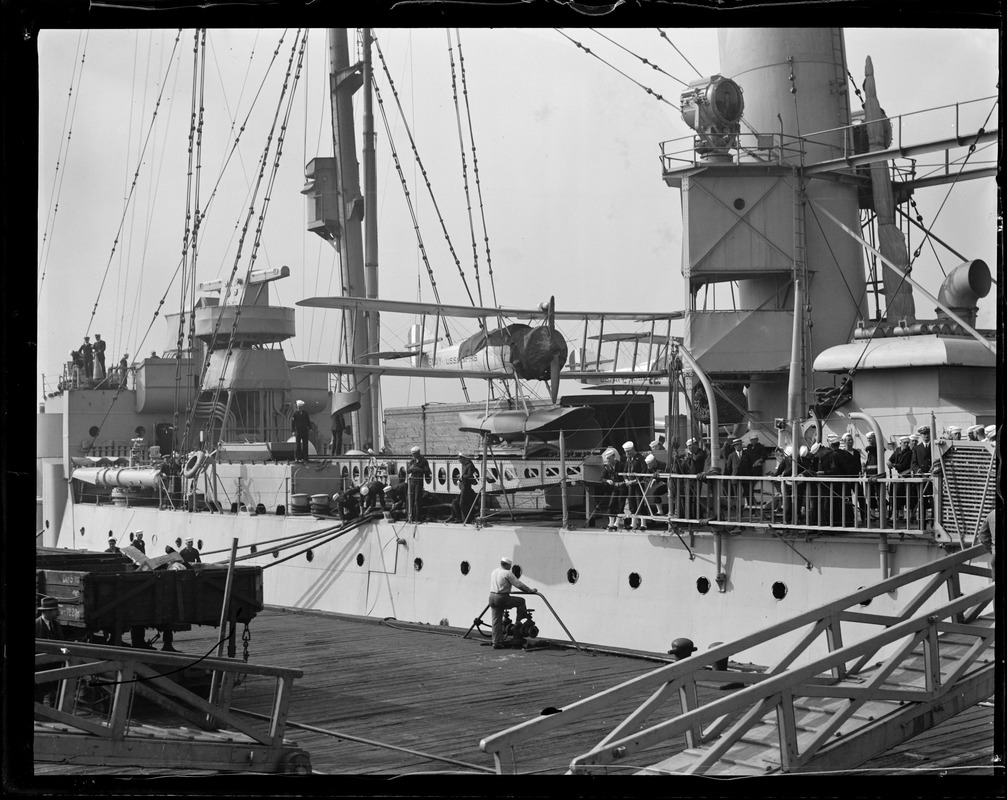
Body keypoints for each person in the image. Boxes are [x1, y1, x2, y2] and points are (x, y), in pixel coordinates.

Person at [488, 556, 537, 649]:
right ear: (508, 565)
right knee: (521, 601)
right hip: (502, 598)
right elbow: (519, 585)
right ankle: (519, 623)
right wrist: (529, 590)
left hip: (491, 597)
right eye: (510, 565)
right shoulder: (507, 573)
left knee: (496, 621)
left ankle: (496, 642)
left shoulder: (494, 571)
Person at [35, 596, 65, 707]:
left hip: (54, 665)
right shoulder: (36, 625)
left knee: (55, 693)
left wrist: (67, 652)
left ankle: (54, 715)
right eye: (55, 610)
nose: (57, 612)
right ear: (47, 611)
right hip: (39, 667)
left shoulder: (56, 625)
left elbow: (62, 644)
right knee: (38, 695)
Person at [620, 441, 647, 530]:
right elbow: (624, 471)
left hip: (638, 484)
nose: (626, 454)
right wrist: (626, 479)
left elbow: (644, 471)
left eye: (628, 452)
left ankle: (643, 524)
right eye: (626, 452)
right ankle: (633, 524)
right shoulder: (628, 459)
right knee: (632, 503)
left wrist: (636, 480)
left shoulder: (640, 458)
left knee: (640, 502)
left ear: (632, 450)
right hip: (630, 484)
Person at [450, 453, 478, 523]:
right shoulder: (465, 465)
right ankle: (460, 518)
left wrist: (462, 477)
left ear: (463, 458)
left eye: (459, 459)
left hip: (466, 486)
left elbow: (469, 475)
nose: (458, 460)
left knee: (462, 503)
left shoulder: (470, 465)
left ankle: (466, 519)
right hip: (463, 486)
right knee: (456, 502)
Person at [406, 446, 432, 522]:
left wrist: (419, 469)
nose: (413, 455)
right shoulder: (412, 461)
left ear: (418, 453)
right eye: (412, 454)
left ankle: (418, 518)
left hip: (419, 481)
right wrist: (411, 469)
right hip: (412, 481)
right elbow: (408, 470)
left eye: (414, 454)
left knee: (417, 499)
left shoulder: (424, 461)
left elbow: (427, 471)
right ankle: (410, 517)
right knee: (410, 499)